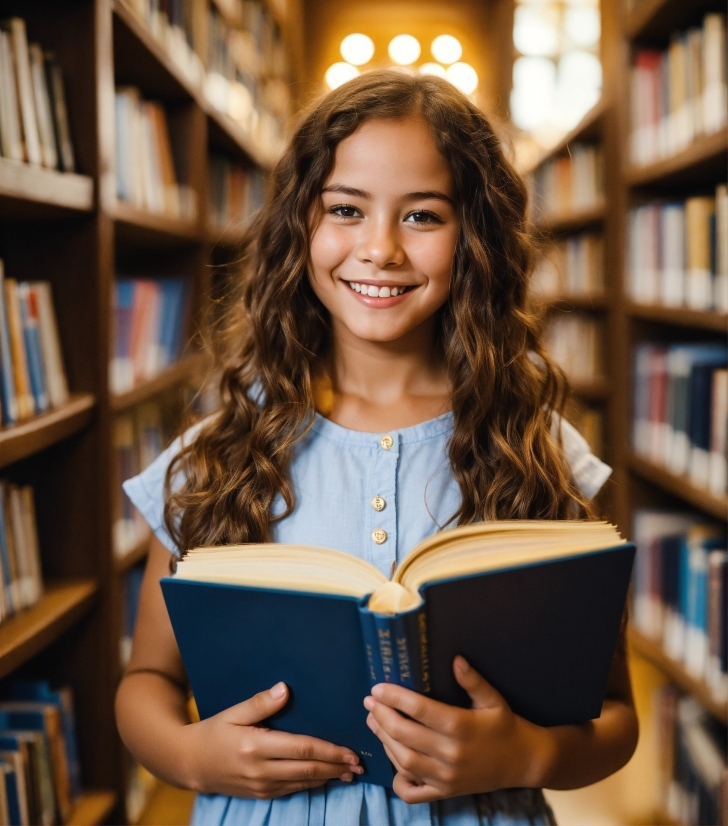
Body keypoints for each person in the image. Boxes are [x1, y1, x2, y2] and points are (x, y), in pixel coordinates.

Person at [115, 70, 638, 826]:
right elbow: (145, 684)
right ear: (301, 225)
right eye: (345, 210)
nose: (380, 248)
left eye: (423, 216)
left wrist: (523, 756)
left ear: (475, 237)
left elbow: (615, 716)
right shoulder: (221, 452)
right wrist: (192, 756)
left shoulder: (540, 451)